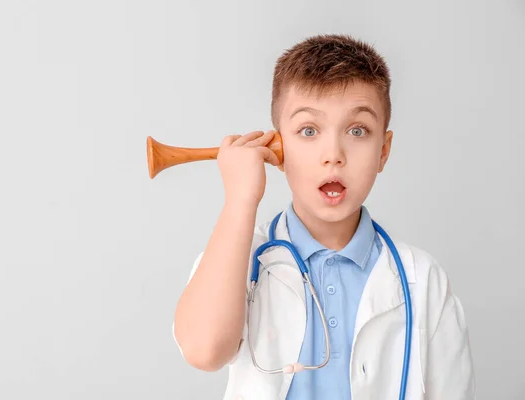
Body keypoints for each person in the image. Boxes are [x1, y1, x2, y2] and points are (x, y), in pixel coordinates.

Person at [172, 34, 475, 400]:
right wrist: (240, 200)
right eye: (309, 131)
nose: (333, 154)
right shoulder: (239, 256)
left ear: (384, 151)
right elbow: (204, 351)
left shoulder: (423, 280)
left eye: (357, 130)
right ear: (278, 149)